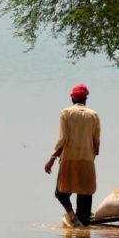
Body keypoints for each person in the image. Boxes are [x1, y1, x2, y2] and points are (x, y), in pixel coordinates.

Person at [44, 83, 100, 227]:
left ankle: (70, 213)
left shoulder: (66, 113)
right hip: (87, 161)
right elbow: (96, 141)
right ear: (86, 98)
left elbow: (63, 139)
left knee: (60, 193)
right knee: (85, 203)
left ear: (72, 99)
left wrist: (52, 158)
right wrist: (92, 156)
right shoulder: (93, 115)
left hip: (69, 159)